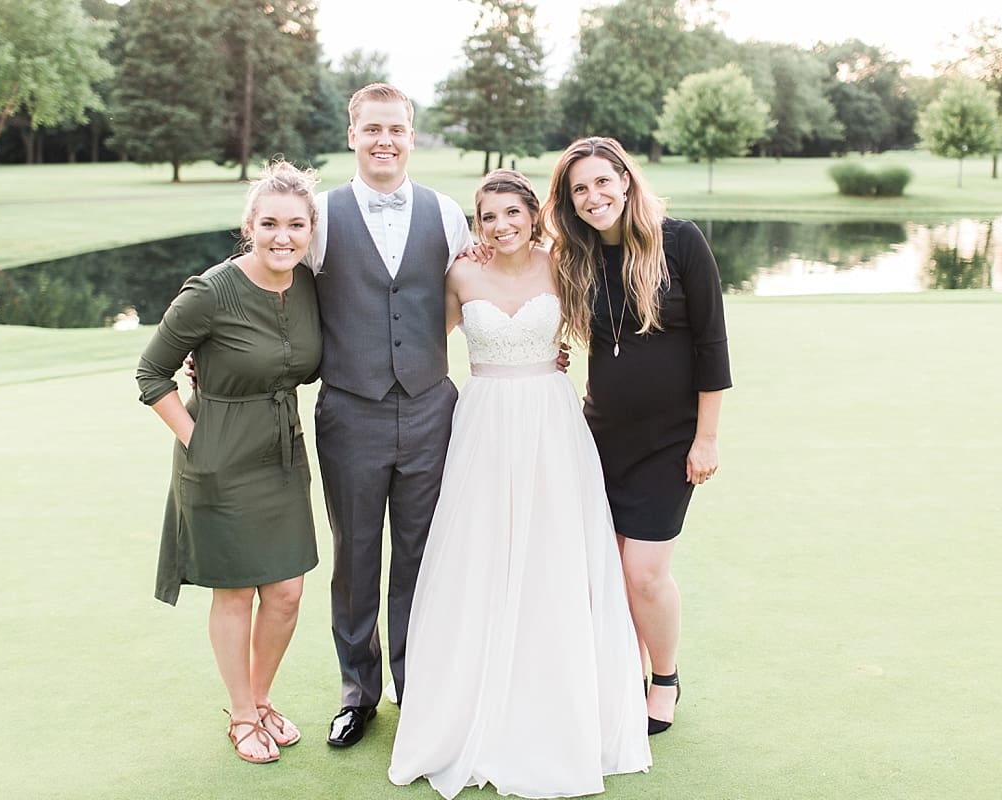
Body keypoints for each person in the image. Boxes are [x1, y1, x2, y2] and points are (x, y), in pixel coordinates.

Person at [387, 170, 651, 799]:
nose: (500, 226)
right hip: (481, 424)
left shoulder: (564, 264)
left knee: (553, 556)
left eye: (512, 213)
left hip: (552, 425)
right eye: (488, 217)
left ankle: (555, 699)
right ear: (476, 226)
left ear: (535, 215)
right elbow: (415, 341)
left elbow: (613, 325)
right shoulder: (461, 273)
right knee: (478, 555)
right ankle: (468, 703)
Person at [542, 136, 732, 736]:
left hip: (670, 443)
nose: (594, 196)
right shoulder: (575, 257)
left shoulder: (680, 241)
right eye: (580, 189)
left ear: (625, 180)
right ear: (570, 202)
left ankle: (665, 678)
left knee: (645, 571)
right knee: (610, 568)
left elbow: (712, 346)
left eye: (603, 181)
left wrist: (706, 439)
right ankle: (624, 673)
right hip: (599, 437)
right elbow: (521, 277)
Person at [135, 160, 323, 764]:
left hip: (281, 453)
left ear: (311, 229)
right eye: (269, 223)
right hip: (218, 456)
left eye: (296, 224)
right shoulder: (210, 290)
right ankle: (241, 714)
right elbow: (150, 373)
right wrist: (198, 441)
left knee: (288, 592)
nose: (282, 236)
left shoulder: (308, 285)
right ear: (250, 224)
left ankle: (262, 699)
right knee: (237, 592)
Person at [310, 83, 475, 747]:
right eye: (372, 128)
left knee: (419, 556)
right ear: (352, 134)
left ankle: (417, 686)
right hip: (350, 413)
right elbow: (273, 290)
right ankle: (359, 692)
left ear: (411, 135)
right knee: (355, 557)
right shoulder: (318, 216)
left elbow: (475, 293)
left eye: (396, 130)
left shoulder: (447, 214)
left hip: (432, 410)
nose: (384, 141)